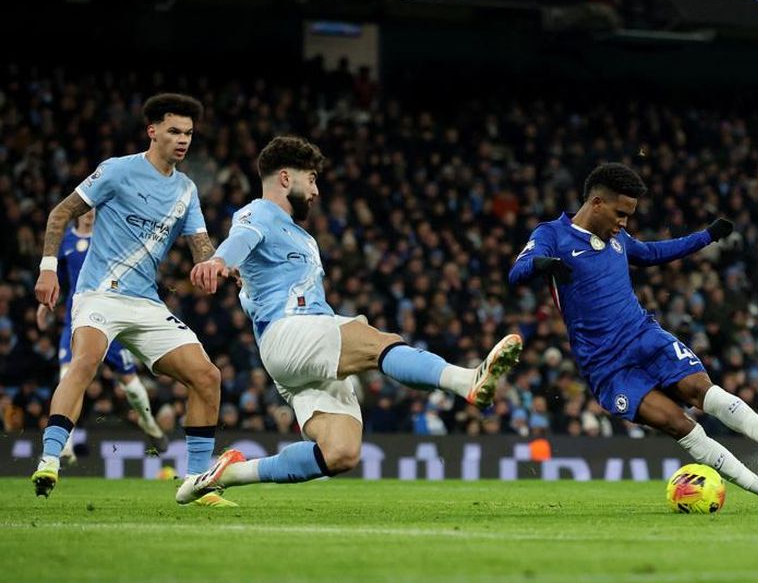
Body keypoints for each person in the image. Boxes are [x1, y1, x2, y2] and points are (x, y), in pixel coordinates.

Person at [178, 136, 522, 501]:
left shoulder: (301, 237)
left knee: (340, 453)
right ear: (284, 178)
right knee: (375, 340)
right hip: (290, 332)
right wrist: (219, 262)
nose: (315, 190)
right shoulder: (258, 212)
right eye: (310, 178)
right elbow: (240, 238)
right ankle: (466, 380)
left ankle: (228, 474)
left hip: (295, 352)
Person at [508, 162, 758, 512]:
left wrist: (706, 236)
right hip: (607, 365)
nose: (623, 223)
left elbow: (652, 253)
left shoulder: (618, 240)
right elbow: (516, 272)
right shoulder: (552, 234)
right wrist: (542, 264)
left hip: (645, 336)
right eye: (620, 214)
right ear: (597, 203)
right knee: (680, 424)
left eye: (629, 216)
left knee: (700, 389)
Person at [32, 93, 229, 506]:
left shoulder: (186, 191)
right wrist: (48, 267)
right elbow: (60, 213)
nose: (183, 140)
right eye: (174, 131)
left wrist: (215, 266)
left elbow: (201, 247)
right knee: (84, 362)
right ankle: (50, 459)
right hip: (99, 294)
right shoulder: (118, 171)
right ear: (152, 131)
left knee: (207, 377)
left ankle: (196, 482)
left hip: (145, 304)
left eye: (189, 133)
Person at [36, 209, 170, 462]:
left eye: (94, 210)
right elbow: (60, 279)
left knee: (132, 387)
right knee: (69, 376)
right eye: (85, 210)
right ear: (77, 212)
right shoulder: (65, 242)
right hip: (76, 320)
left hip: (112, 317)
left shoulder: (109, 237)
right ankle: (66, 447)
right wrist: (46, 303)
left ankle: (150, 424)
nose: (89, 215)